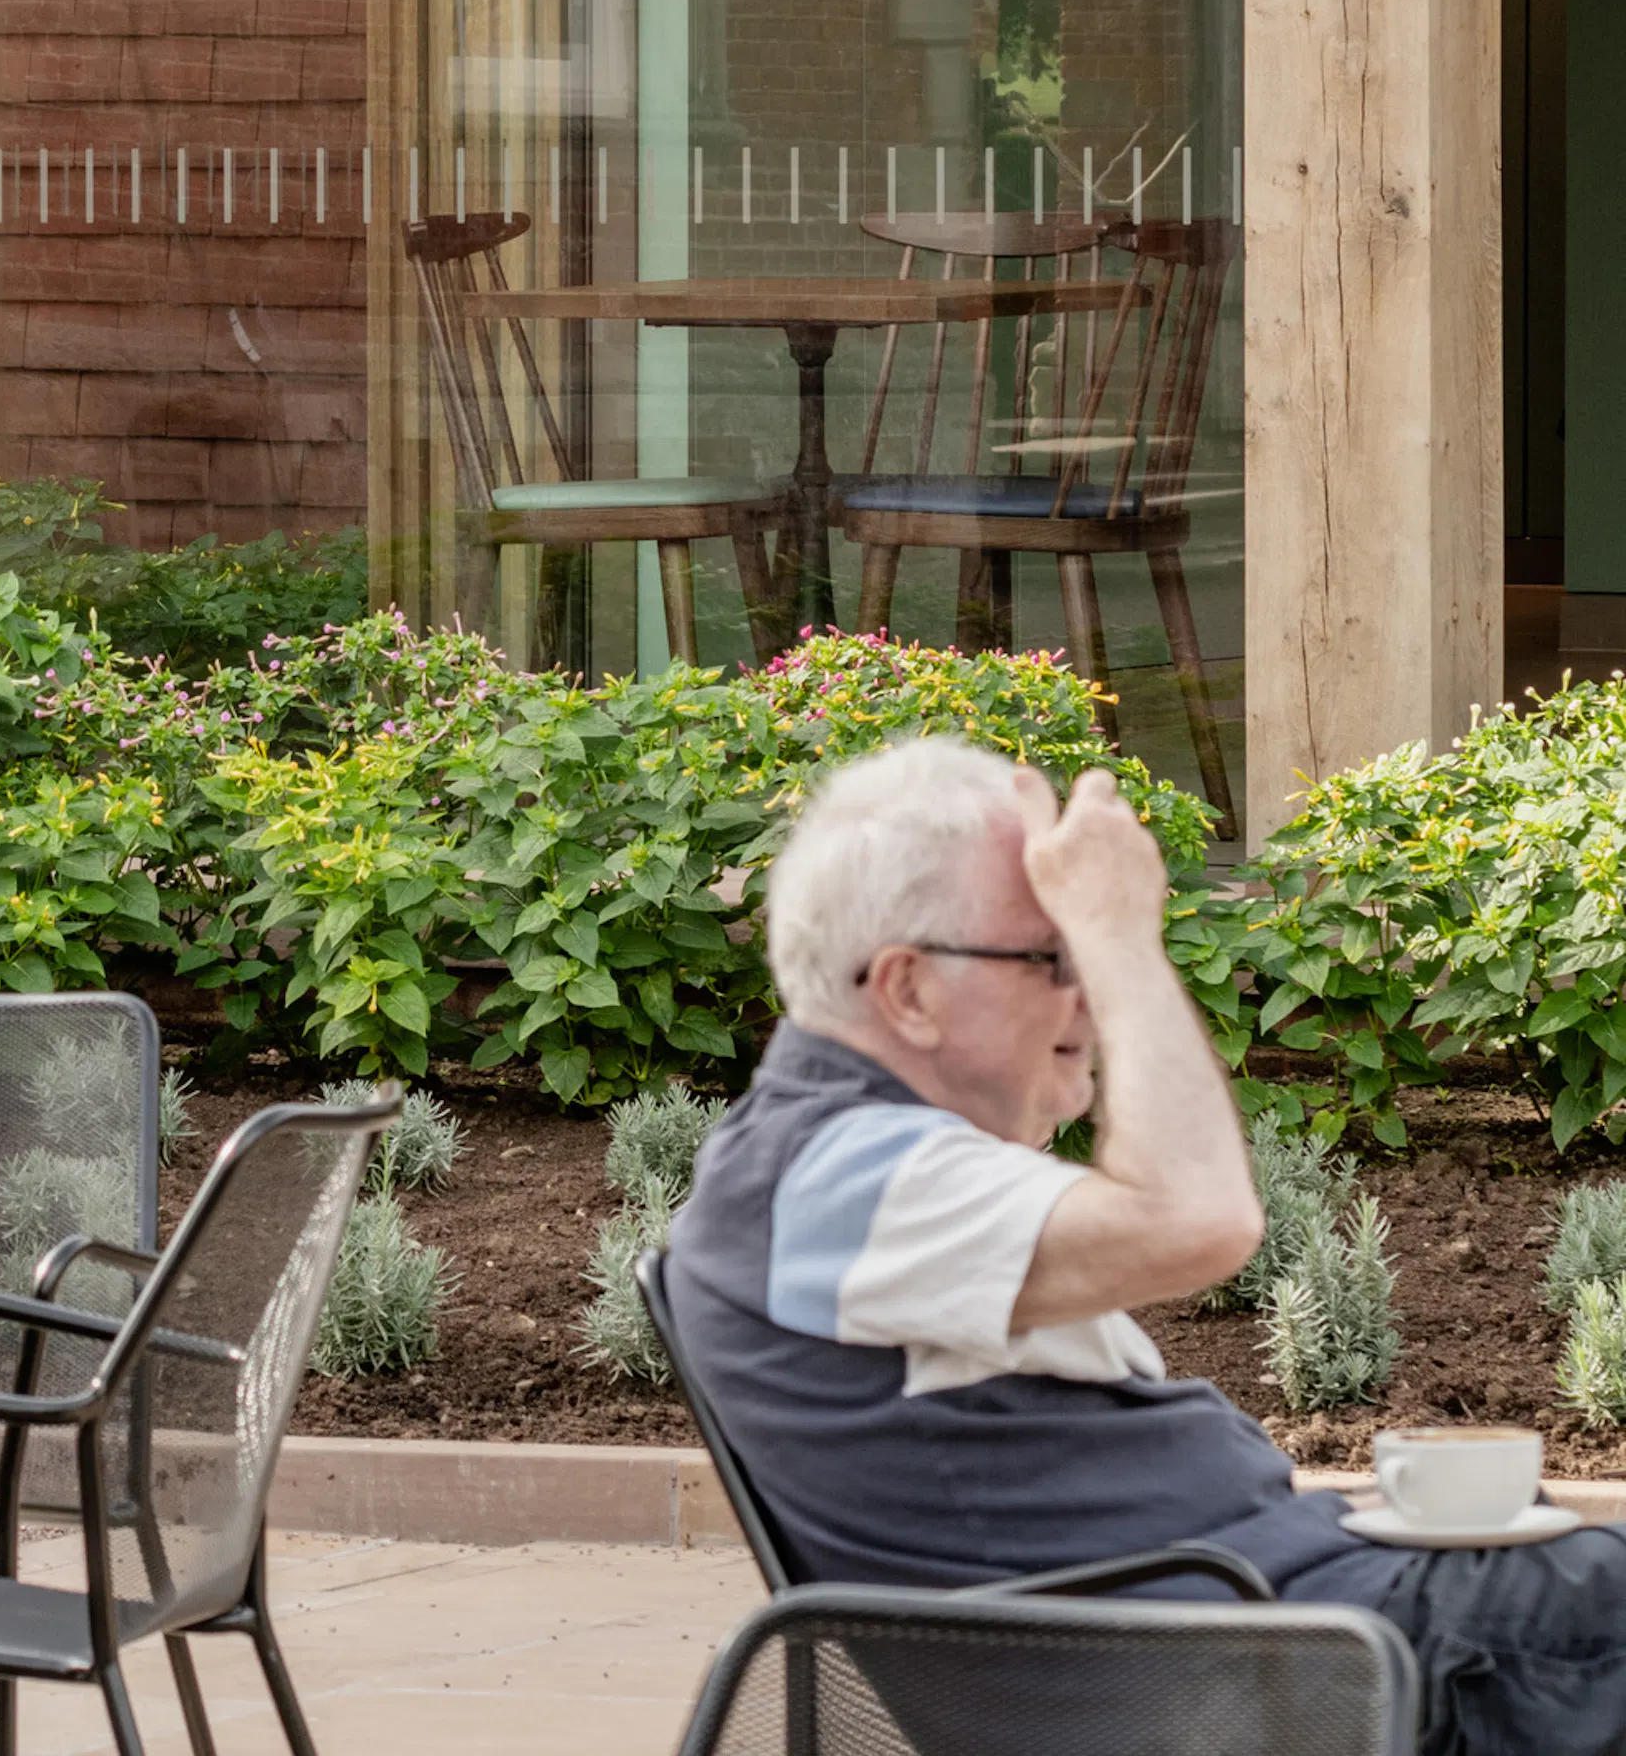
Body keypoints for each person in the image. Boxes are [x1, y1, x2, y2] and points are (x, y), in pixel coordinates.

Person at [665, 730, 1626, 1735]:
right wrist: (1123, 933)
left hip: (1273, 1638)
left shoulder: (831, 1166)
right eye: (1054, 954)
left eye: (1087, 952)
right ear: (906, 989)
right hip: (1278, 1671)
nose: (1087, 994)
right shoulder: (834, 1174)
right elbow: (1199, 1218)